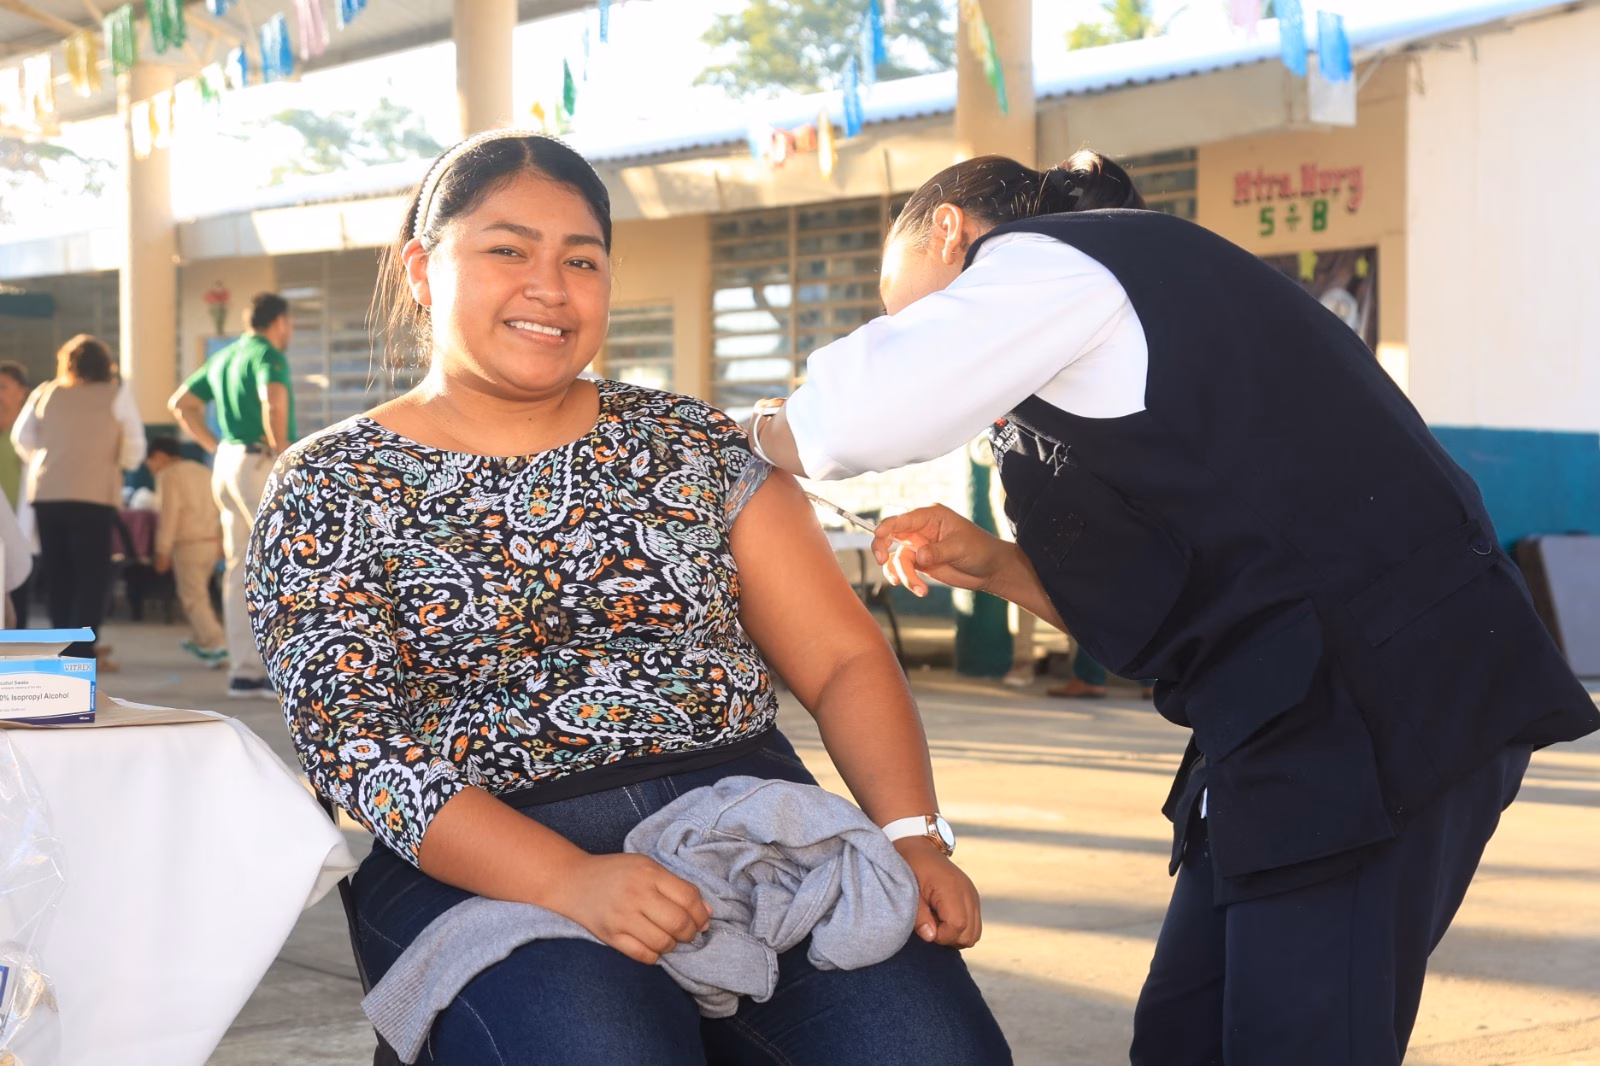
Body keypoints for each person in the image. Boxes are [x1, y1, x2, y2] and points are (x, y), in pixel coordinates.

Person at [747, 150, 1600, 1065]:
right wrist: (995, 565)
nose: (907, 333)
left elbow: (853, 418)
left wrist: (740, 434)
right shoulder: (1094, 362)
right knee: (1182, 1036)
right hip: (1279, 721)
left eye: (898, 311)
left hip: (1379, 710)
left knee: (1300, 1041)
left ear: (950, 231)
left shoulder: (1053, 261)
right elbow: (1150, 615)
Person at [245, 130, 1010, 1065]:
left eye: (581, 260)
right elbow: (356, 744)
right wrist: (569, 879)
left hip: (752, 834)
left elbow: (843, 658)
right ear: (421, 270)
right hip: (486, 852)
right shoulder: (329, 483)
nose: (549, 287)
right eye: (508, 250)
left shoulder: (695, 444)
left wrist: (913, 837)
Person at [168, 291, 296, 698]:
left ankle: (245, 673)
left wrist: (214, 446)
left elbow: (181, 404)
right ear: (280, 322)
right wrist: (281, 450)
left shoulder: (225, 356)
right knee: (280, 562)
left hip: (226, 462)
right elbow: (272, 400)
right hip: (258, 462)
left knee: (240, 567)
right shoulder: (268, 354)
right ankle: (279, 671)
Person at [11, 334, 146, 660]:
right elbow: (134, 445)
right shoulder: (116, 394)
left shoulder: (45, 392)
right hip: (93, 495)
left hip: (48, 493)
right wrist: (117, 464)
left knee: (58, 573)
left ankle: (61, 642)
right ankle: (82, 647)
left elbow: (22, 437)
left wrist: (49, 460)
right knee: (92, 575)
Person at [144, 436, 225, 665]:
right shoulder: (204, 471)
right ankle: (201, 641)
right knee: (200, 594)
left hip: (188, 545)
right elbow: (220, 508)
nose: (150, 467)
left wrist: (162, 550)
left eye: (150, 460)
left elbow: (169, 514)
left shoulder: (169, 475)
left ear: (160, 456)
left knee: (193, 598)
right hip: (210, 543)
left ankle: (216, 643)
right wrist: (220, 540)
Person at [0, 361, 36, 627]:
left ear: (22, 391)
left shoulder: (31, 432)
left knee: (19, 595)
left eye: (3, 387)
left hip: (23, 527)